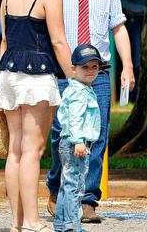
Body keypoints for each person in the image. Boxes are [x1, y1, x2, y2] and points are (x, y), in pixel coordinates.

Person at [46, 0, 135, 223]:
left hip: (98, 74)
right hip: (63, 72)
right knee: (63, 134)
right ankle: (57, 189)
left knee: (95, 135)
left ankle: (88, 200)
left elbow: (118, 28)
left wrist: (128, 66)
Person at [0, 0, 73, 232]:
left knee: (15, 149)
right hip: (38, 76)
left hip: (9, 72)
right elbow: (59, 42)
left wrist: (2, 78)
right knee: (33, 151)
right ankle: (33, 221)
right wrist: (76, 78)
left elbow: (4, 39)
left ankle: (17, 223)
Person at [54, 44, 104, 232]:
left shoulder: (81, 88)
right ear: (73, 68)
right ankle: (72, 226)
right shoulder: (78, 92)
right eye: (85, 67)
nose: (90, 71)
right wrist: (79, 142)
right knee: (75, 187)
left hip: (72, 143)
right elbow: (75, 118)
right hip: (76, 144)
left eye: (94, 67)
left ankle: (62, 224)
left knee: (67, 185)